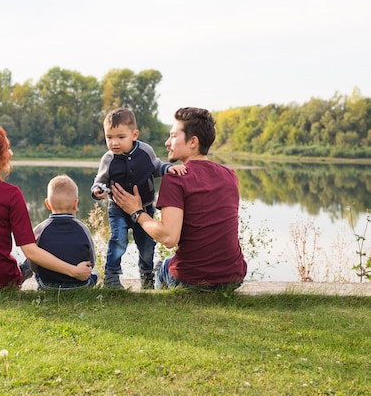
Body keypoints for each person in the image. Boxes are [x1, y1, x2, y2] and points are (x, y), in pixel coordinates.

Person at [111, 107, 247, 290]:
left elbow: (168, 238)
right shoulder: (230, 175)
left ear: (193, 142)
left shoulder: (177, 178)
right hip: (233, 278)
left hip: (191, 279)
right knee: (166, 263)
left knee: (164, 268)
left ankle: (162, 275)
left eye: (173, 136)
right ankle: (164, 266)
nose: (167, 142)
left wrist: (136, 211)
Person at [0, 126, 92, 291]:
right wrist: (74, 271)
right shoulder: (11, 194)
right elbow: (31, 252)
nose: (11, 153)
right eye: (7, 149)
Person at [91, 107, 186, 289]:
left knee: (147, 245)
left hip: (145, 207)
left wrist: (168, 169)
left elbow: (157, 166)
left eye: (120, 137)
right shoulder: (108, 159)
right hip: (117, 208)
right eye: (109, 137)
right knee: (118, 239)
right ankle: (111, 276)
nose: (114, 143)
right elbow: (100, 180)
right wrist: (97, 191)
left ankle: (147, 276)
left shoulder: (145, 151)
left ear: (134, 135)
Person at [20, 174, 99, 289]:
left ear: (47, 204)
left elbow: (33, 261)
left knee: (37, 270)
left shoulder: (40, 229)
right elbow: (91, 258)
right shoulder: (83, 228)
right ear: (75, 203)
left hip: (48, 284)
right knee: (96, 274)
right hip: (79, 284)